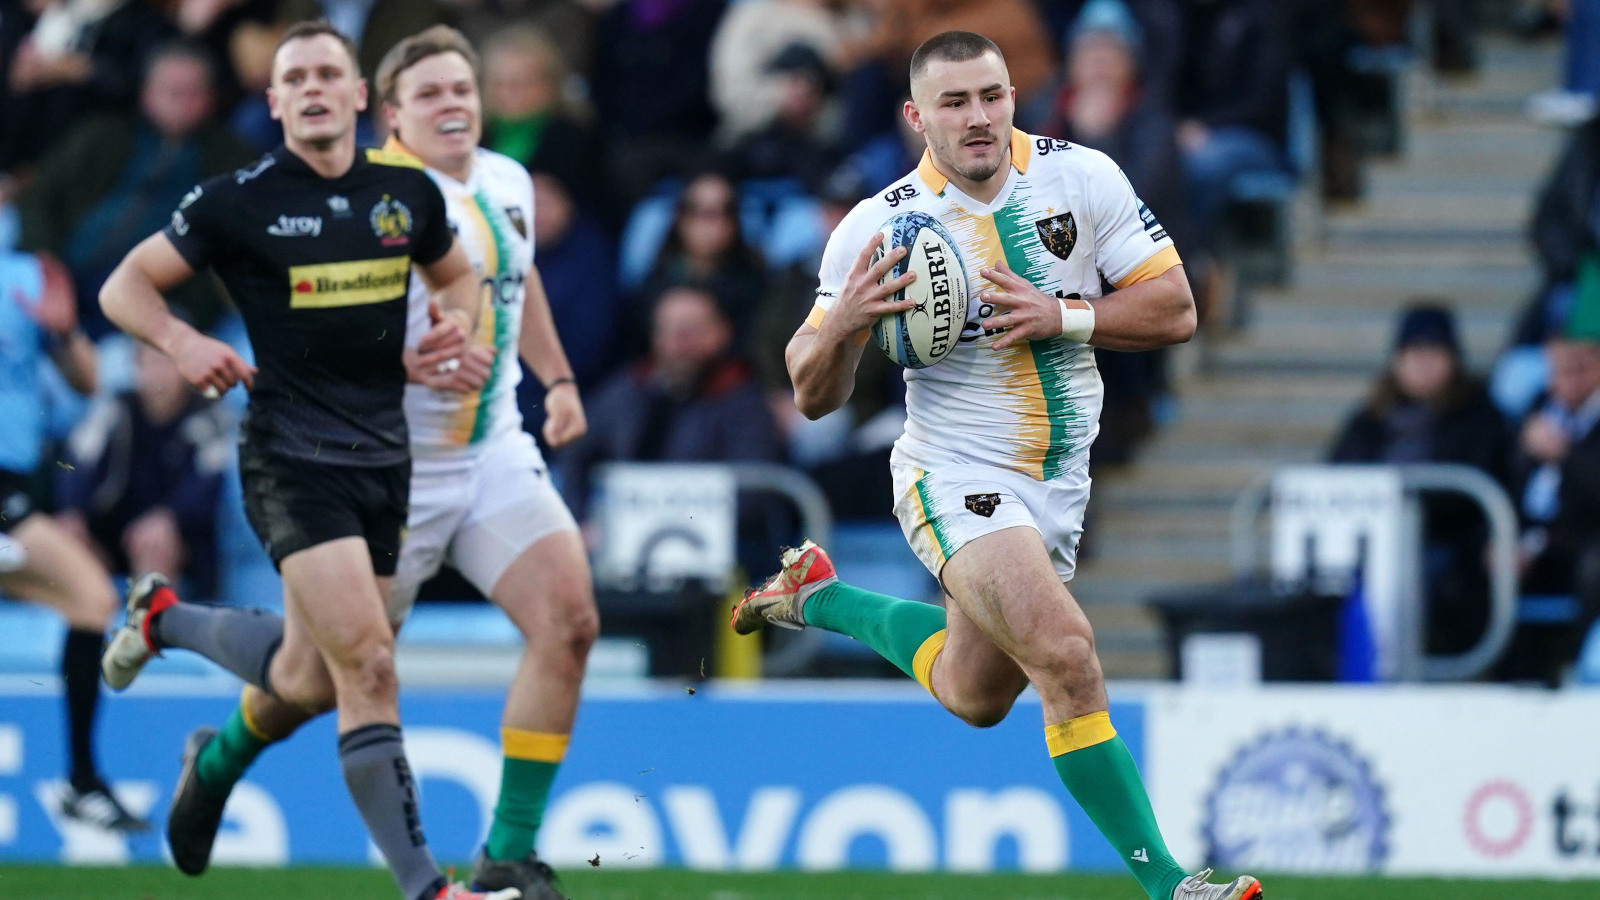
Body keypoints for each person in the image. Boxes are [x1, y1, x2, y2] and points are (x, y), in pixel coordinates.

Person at [730, 32, 1258, 900]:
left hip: (1059, 480)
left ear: (1014, 95)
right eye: (954, 102)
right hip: (954, 475)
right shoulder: (876, 227)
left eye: (992, 95)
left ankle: (818, 596)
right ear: (916, 117)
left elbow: (1176, 309)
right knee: (1068, 654)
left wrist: (1064, 315)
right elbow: (810, 392)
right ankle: (1171, 885)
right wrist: (845, 325)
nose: (978, 117)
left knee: (975, 695)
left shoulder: (1081, 176)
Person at [141, 27, 599, 900]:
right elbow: (316, 329)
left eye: (462, 89)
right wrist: (408, 361)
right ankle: (215, 747)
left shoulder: (506, 179)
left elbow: (518, 277)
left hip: (492, 450)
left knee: (570, 622)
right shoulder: (368, 197)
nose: (453, 106)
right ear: (388, 114)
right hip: (384, 463)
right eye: (430, 95)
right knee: (312, 680)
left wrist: (561, 378)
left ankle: (507, 853)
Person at [0, 246, 148, 832]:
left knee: (91, 601)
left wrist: (63, 334)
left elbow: (88, 383)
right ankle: (82, 783)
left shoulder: (29, 276)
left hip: (12, 487)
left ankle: (81, 783)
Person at [18, 42, 256, 337]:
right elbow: (40, 195)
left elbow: (225, 252)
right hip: (63, 273)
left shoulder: (234, 161)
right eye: (171, 90)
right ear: (146, 92)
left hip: (151, 303)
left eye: (192, 92)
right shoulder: (102, 133)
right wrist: (46, 260)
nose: (180, 101)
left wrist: (179, 317)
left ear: (210, 98)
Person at [1328, 304, 1511, 654]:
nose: (1423, 364)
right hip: (1368, 541)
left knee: (1418, 574)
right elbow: (1335, 473)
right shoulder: (1369, 420)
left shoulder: (1480, 416)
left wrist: (1409, 500)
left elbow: (1484, 487)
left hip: (1446, 544)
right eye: (1414, 353)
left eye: (1434, 353)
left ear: (1453, 359)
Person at [56, 340, 231, 596]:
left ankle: (153, 619)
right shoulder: (115, 408)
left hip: (179, 540)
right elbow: (76, 460)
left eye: (167, 364)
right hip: (111, 535)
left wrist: (168, 517)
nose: (159, 374)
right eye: (150, 363)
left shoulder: (208, 416)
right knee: (66, 534)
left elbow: (207, 487)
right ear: (136, 368)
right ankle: (86, 618)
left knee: (155, 540)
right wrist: (73, 511)